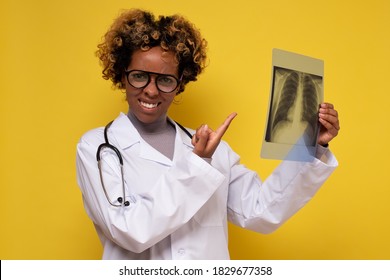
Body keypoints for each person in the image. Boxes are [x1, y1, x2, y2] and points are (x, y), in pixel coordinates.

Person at [76, 8, 340, 260]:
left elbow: (261, 210)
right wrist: (197, 164)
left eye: (165, 80)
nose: (151, 90)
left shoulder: (213, 149)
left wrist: (312, 146)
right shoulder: (97, 147)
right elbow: (129, 231)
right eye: (139, 76)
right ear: (122, 76)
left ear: (180, 84)